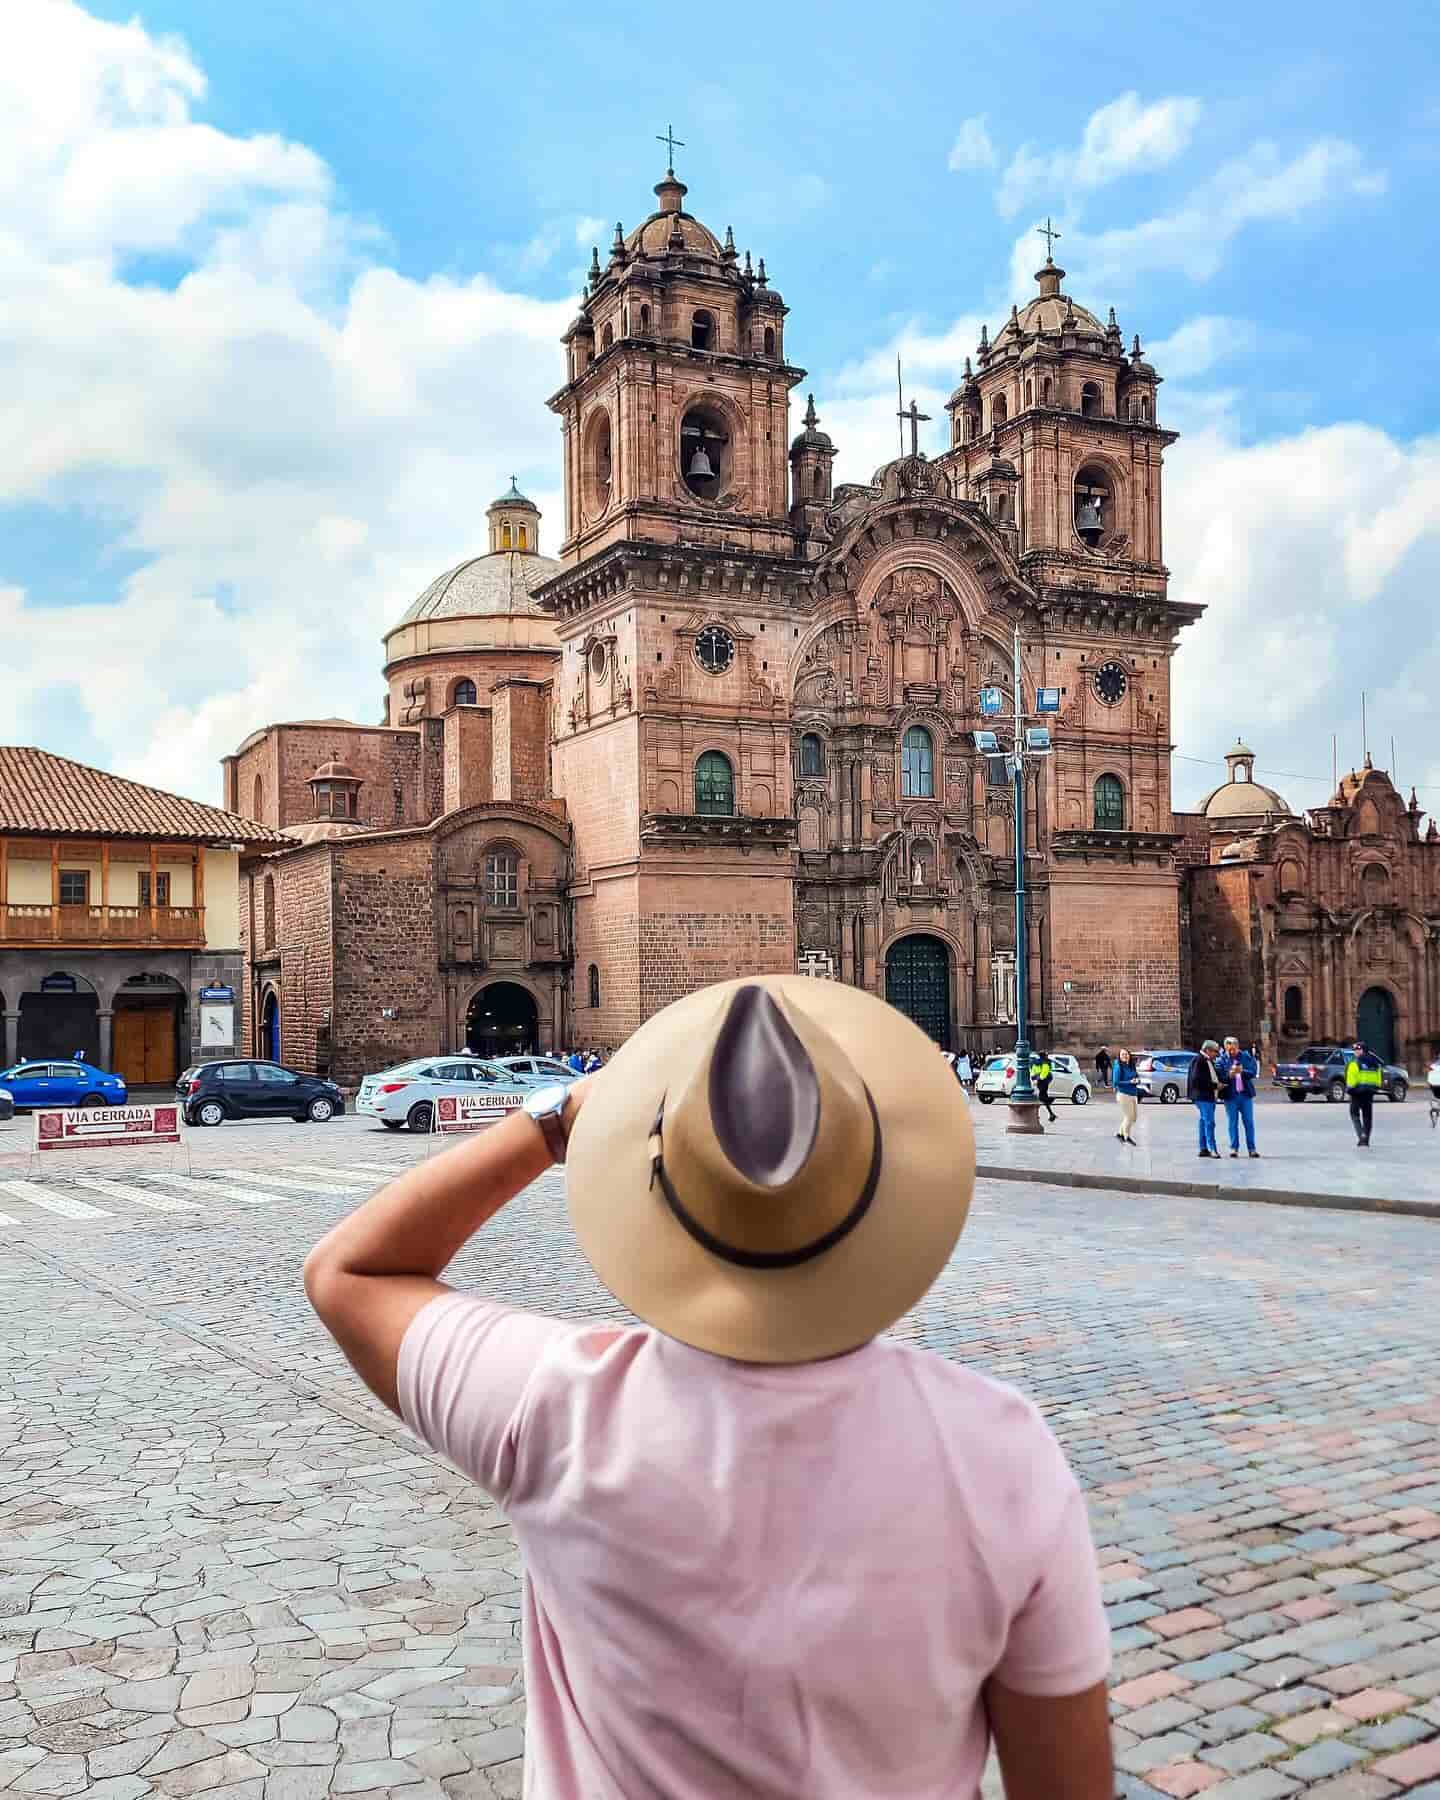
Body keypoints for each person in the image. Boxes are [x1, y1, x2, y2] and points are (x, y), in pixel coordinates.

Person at [302, 977, 1113, 1800]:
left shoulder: (556, 1406)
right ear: (884, 1179)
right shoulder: (1002, 1453)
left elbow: (349, 1272)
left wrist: (553, 1122)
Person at [1216, 1036, 1259, 1158]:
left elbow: (1253, 1072)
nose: (1232, 1052)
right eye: (1229, 1050)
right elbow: (1219, 1076)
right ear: (1225, 1048)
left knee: (1249, 1122)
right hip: (1230, 1096)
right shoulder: (1221, 1060)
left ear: (1238, 1047)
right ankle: (1234, 1148)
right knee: (1232, 1123)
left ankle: (1252, 1149)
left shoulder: (1246, 1057)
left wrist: (1242, 1071)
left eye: (1234, 1049)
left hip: (1245, 1095)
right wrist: (1229, 1075)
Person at [1346, 1039, 1384, 1148]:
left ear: (1363, 1050)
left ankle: (1362, 1137)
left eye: (1358, 1049)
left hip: (1356, 1093)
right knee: (1367, 1117)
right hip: (1369, 1093)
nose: (1356, 1052)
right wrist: (1374, 1088)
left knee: (1354, 1114)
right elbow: (1378, 1079)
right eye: (1355, 1050)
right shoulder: (1375, 1063)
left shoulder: (1355, 1063)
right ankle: (1366, 1139)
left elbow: (1351, 1080)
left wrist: (1349, 1089)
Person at [1188, 1040, 1221, 1158]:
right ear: (1208, 1050)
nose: (1217, 1054)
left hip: (1206, 1096)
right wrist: (1215, 1086)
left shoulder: (1206, 1060)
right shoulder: (1200, 1060)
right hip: (1204, 1096)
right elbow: (1197, 1080)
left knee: (1203, 1122)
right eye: (1215, 1051)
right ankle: (1213, 1149)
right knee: (1209, 1122)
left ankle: (1203, 1148)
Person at [1113, 1047, 1140, 1145]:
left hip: (1133, 1094)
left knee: (1134, 1117)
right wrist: (1129, 1082)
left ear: (1129, 1055)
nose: (1125, 1056)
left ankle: (1119, 1134)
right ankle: (1126, 1136)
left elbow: (1137, 1076)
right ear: (1119, 1057)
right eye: (1122, 1054)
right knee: (1129, 1116)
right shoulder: (1118, 1067)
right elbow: (1116, 1082)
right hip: (1123, 1094)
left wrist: (1137, 1080)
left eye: (1126, 1054)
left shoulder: (1131, 1066)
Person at [1032, 1050, 1057, 1123]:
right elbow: (1045, 1071)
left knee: (1041, 1097)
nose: (1047, 1056)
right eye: (1046, 1055)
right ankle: (1050, 1110)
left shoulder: (1036, 1062)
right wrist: (1040, 1078)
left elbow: (1033, 1070)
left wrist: (1035, 1078)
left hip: (1040, 1080)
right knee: (1042, 1097)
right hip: (1044, 1081)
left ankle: (1049, 1113)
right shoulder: (1046, 1062)